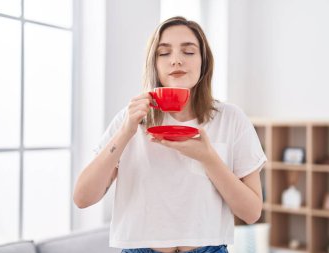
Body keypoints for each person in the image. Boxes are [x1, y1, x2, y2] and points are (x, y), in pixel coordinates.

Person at [73, 16, 267, 253]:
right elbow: (83, 198)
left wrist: (208, 158)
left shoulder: (231, 118)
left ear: (204, 63)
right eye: (164, 53)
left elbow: (251, 213)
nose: (176, 60)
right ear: (153, 64)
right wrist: (126, 131)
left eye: (188, 51)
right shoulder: (130, 118)